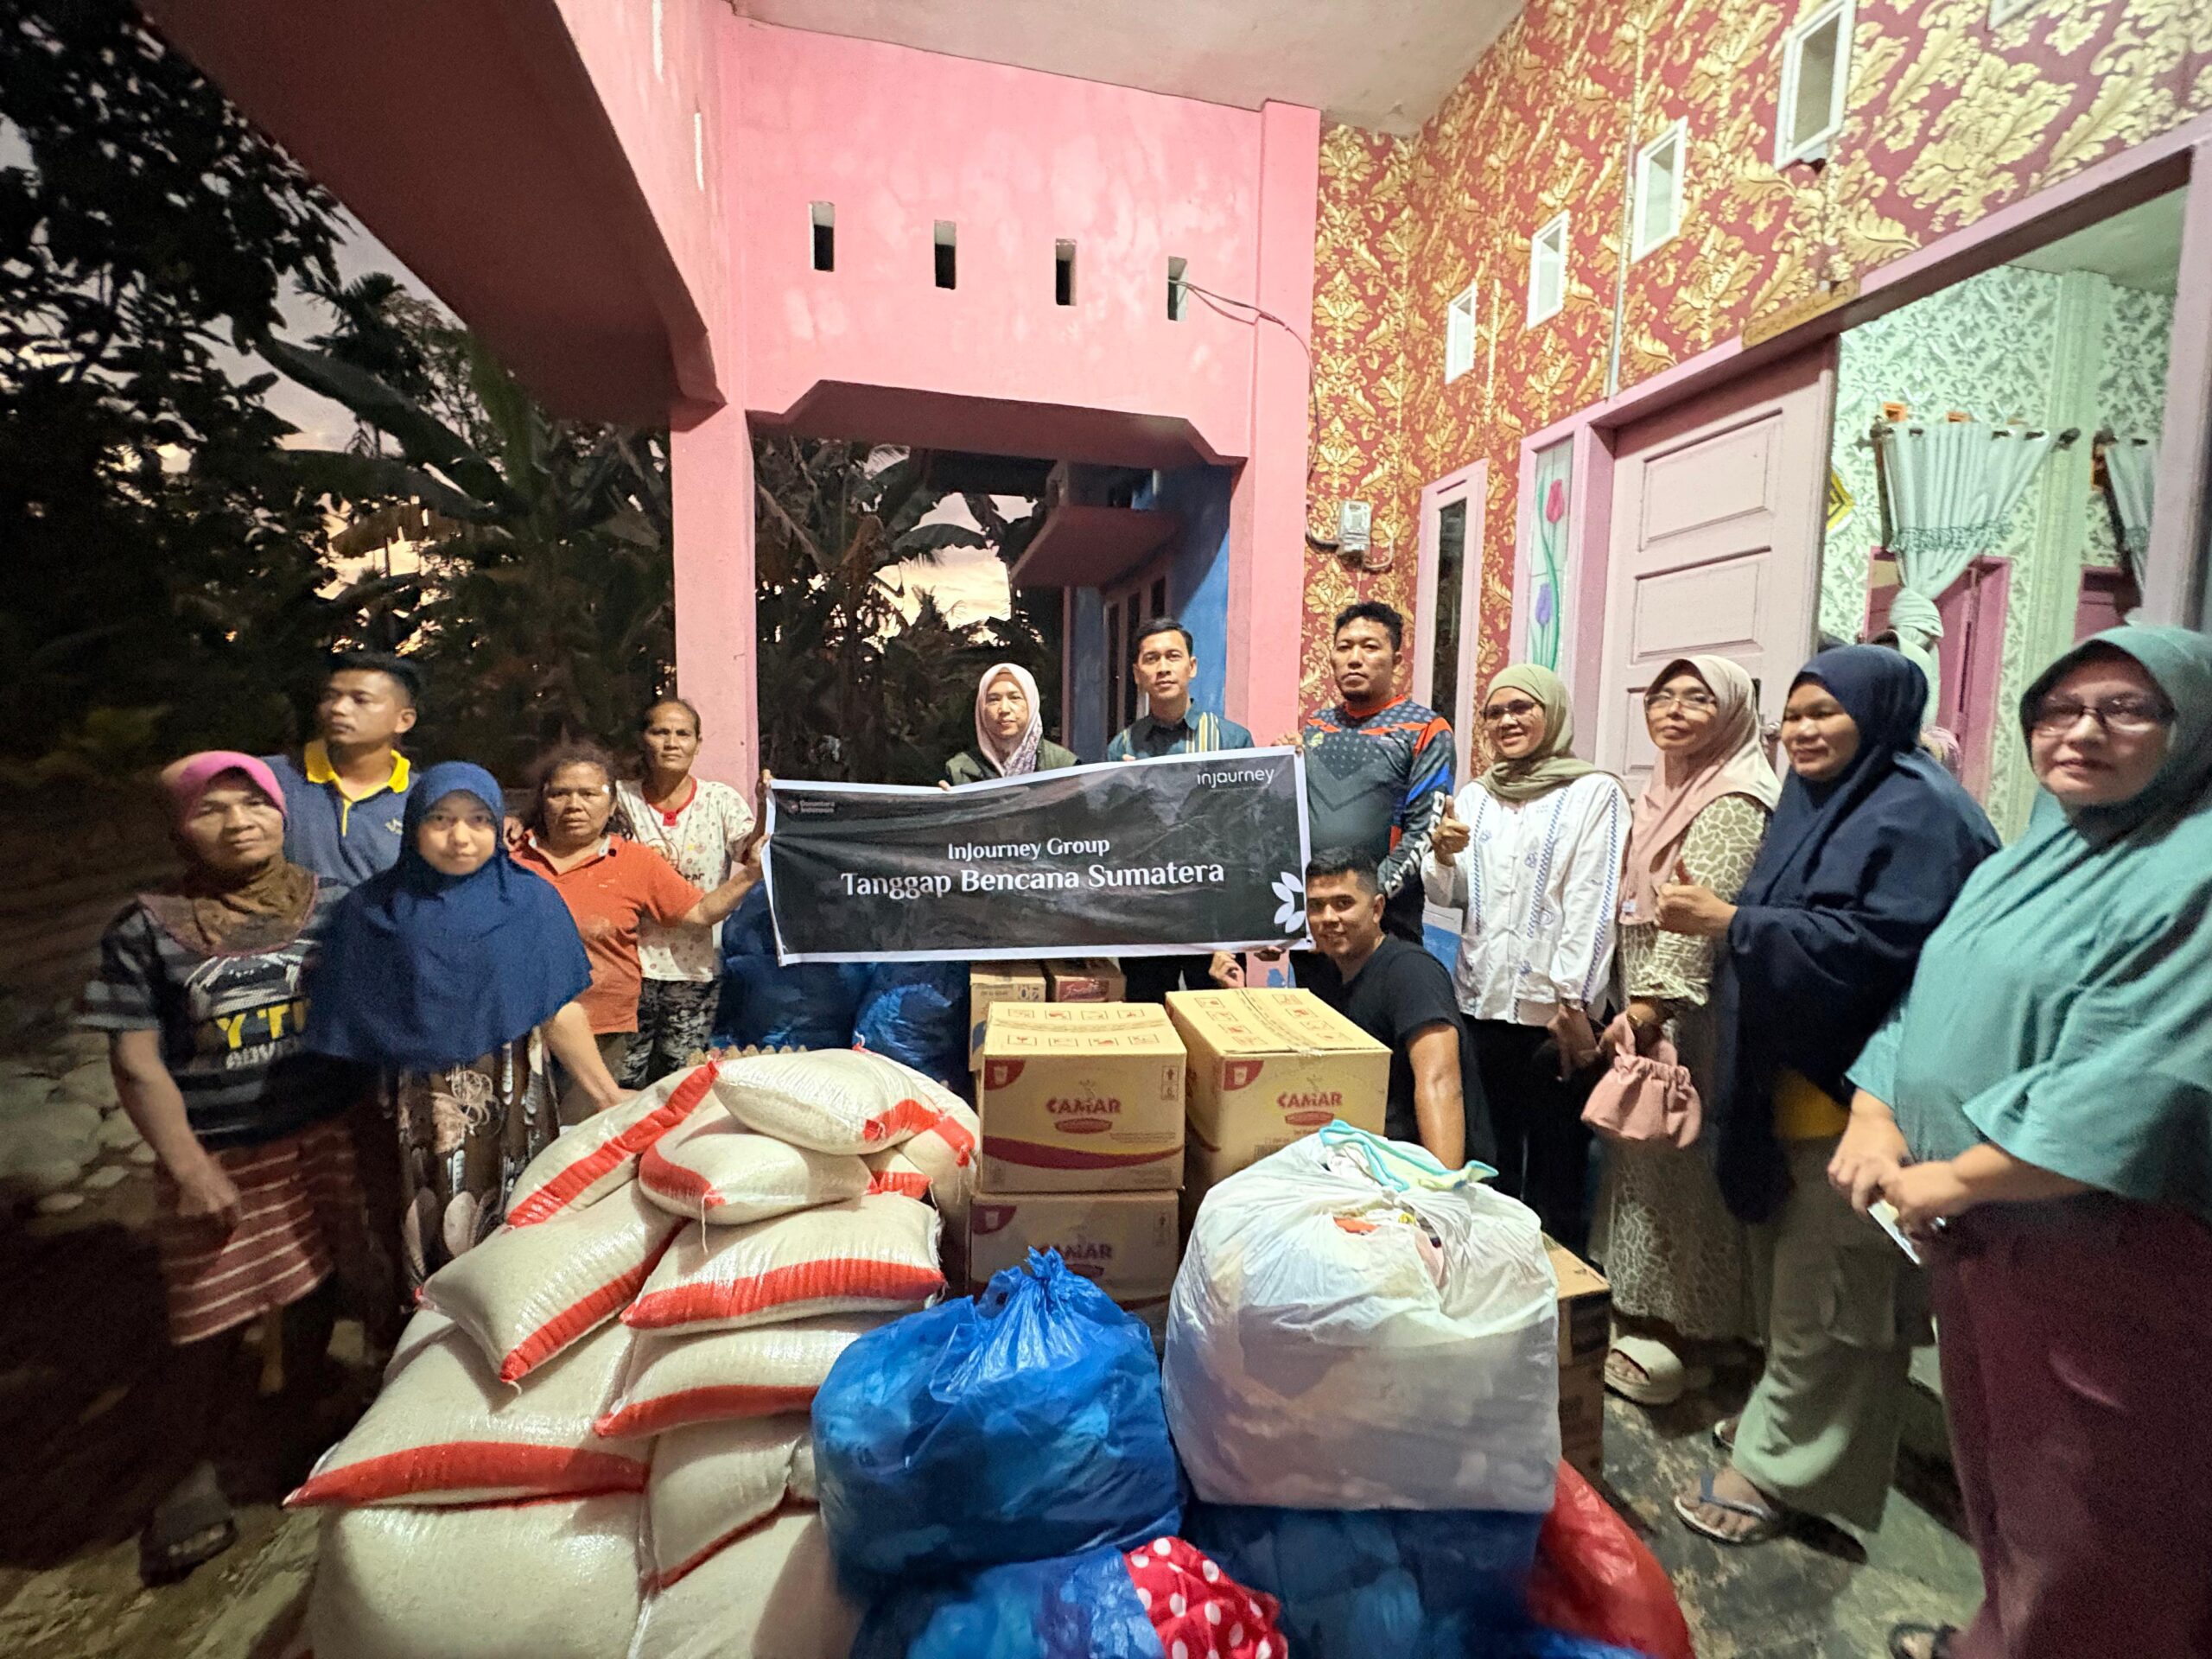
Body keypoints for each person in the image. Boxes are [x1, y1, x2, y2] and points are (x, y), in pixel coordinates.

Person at [1832, 628, 2212, 1659]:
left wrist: (1953, 1174)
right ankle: (2002, 1633)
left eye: (2125, 709)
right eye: (2058, 709)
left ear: (2190, 730)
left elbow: (2141, 1076)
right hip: (1979, 1234)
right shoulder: (2033, 854)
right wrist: (1876, 1111)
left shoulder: (2191, 869)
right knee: (2000, 1466)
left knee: (2096, 1511)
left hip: (2099, 1258)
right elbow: (1930, 991)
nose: (2081, 732)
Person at [1669, 645, 1996, 1548]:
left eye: (1824, 713)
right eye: (1795, 714)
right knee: (1793, 1282)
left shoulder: (1922, 812)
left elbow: (1893, 950)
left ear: (1880, 714)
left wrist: (1734, 923)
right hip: (1785, 1088)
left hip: (1863, 1101)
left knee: (1838, 1298)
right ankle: (1783, 1416)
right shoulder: (1815, 800)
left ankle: (1784, 1471)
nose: (1802, 731)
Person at [82, 753, 369, 1584]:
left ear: (282, 816)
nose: (238, 823)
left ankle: (296, 1422)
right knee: (207, 1313)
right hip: (221, 1148)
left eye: (254, 805)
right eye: (212, 810)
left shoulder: (333, 906)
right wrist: (186, 1163)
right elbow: (136, 1061)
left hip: (322, 1130)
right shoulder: (148, 928)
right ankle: (187, 1469)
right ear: (180, 829)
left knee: (315, 1285)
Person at [306, 762, 627, 1287]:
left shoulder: (530, 902)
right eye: (441, 819)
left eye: (479, 820)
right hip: (408, 1108)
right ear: (414, 826)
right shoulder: (369, 911)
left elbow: (557, 1007)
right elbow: (346, 1029)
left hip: (510, 1098)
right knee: (412, 1239)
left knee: (515, 1244)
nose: (460, 837)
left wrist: (606, 1093)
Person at [1593, 656, 1780, 1408]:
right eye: (1662, 696)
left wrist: (1651, 1007)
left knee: (1682, 1159)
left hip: (1690, 1011)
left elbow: (1699, 917)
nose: (1672, 710)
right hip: (1643, 993)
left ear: (1732, 711)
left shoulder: (1735, 797)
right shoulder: (1661, 791)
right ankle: (1651, 1317)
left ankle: (1695, 1333)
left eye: (1696, 698)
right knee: (1648, 1164)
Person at [1426, 664, 1627, 1247]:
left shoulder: (1593, 793)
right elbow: (1450, 897)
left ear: (1552, 713)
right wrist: (1442, 855)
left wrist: (1574, 1002)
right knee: (1491, 1157)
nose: (1506, 721)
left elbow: (1594, 900)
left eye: (1522, 708)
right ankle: (1496, 1268)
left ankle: (1561, 1281)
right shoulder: (1476, 796)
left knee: (1557, 1163)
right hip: (1482, 1003)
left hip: (1555, 1017)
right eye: (1495, 712)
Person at [511, 744, 761, 1092]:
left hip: (604, 1034)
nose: (574, 805)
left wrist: (750, 875)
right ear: (542, 800)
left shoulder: (635, 862)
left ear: (613, 804)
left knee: (597, 1122)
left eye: (589, 794)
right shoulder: (510, 859)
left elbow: (701, 912)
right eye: (560, 794)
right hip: (517, 1031)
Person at [1296, 853, 1495, 1170]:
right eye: (1316, 906)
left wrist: (1439, 1188)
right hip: (1360, 1157)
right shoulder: (1325, 974)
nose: (1328, 917)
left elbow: (1440, 1083)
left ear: (1377, 909)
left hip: (1412, 1167)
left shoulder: (1411, 972)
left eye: (1343, 903)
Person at [1108, 617, 1255, 1001]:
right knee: (1147, 1011)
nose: (1163, 667)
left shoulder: (1231, 740)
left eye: (1172, 656)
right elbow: (1114, 836)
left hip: (1215, 912)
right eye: (1151, 659)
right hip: (1147, 914)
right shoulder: (1122, 747)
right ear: (1137, 674)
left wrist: (1250, 921)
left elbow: (1249, 828)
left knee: (1218, 1013)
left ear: (1191, 667)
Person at [614, 697, 757, 1085]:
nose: (671, 743)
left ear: (697, 743)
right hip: (628, 968)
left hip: (695, 969)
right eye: (660, 732)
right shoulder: (618, 801)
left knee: (679, 1083)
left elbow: (751, 854)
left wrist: (767, 806)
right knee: (621, 1083)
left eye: (683, 734)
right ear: (643, 739)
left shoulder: (719, 801)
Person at [1297, 602, 1455, 943]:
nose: (1355, 658)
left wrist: (1364, 902)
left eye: (1370, 647)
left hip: (1387, 925)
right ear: (1331, 659)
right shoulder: (1314, 727)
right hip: (1318, 926)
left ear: (1396, 661)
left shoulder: (1426, 730)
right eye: (1344, 647)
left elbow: (1422, 832)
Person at [263, 651, 421, 887]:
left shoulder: (424, 798)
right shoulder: (268, 779)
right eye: (330, 696)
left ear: (404, 720)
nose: (338, 708)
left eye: (360, 700)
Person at [944, 663, 1076, 784]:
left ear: (1031, 704)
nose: (1004, 709)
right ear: (981, 709)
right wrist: (944, 798)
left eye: (1015, 698)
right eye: (994, 700)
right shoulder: (959, 769)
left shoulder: (1063, 765)